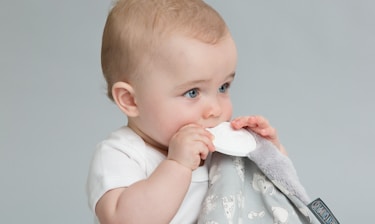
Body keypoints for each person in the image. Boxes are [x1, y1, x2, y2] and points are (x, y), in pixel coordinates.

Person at [86, 0, 286, 223]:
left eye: (223, 87)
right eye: (192, 93)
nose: (215, 110)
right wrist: (177, 165)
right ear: (131, 100)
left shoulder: (219, 151)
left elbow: (271, 194)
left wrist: (268, 152)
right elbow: (123, 220)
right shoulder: (121, 155)